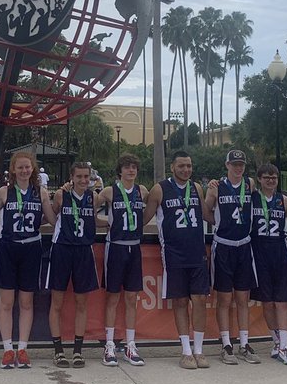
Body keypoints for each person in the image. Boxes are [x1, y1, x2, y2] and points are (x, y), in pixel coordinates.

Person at [0, 151, 56, 369]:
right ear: (13, 170)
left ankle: (23, 348)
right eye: (20, 167)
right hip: (8, 246)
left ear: (32, 169)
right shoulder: (4, 192)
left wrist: (62, 201)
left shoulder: (41, 192)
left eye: (28, 167)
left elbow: (52, 220)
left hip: (31, 247)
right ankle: (8, 349)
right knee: (6, 302)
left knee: (26, 302)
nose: (24, 171)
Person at [145, 150, 210, 370]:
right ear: (172, 167)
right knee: (181, 302)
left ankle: (199, 350)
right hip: (173, 254)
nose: (186, 169)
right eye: (181, 166)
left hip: (197, 253)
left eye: (189, 166)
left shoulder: (197, 188)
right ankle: (185, 351)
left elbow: (206, 215)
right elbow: (145, 218)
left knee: (200, 300)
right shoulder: (159, 189)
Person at [204, 150, 261, 365]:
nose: (238, 168)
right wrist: (219, 224)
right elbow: (205, 210)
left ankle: (244, 343)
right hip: (224, 246)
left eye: (241, 164)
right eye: (234, 164)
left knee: (242, 298)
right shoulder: (217, 187)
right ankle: (226, 343)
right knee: (225, 298)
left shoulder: (250, 184)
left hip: (244, 245)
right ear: (227, 164)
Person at [95, 153, 148, 367]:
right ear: (120, 170)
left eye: (134, 167)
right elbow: (88, 208)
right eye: (127, 167)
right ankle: (109, 345)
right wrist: (103, 223)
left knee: (131, 298)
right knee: (113, 297)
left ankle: (130, 344)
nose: (131, 170)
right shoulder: (109, 191)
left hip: (134, 247)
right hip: (115, 247)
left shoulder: (142, 191)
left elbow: (153, 207)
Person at [48, 163, 101, 367]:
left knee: (81, 302)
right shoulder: (62, 195)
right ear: (71, 177)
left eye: (86, 176)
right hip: (62, 248)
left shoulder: (93, 197)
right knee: (57, 301)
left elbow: (94, 220)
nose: (83, 180)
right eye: (79, 176)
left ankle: (78, 350)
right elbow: (53, 216)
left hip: (83, 250)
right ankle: (58, 350)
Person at [249, 163, 287, 365]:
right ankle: (276, 341)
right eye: (267, 177)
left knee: (282, 301)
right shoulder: (252, 198)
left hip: (279, 251)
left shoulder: (284, 200)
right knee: (267, 302)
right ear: (259, 179)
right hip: (259, 252)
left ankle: (285, 346)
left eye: (274, 177)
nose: (271, 180)